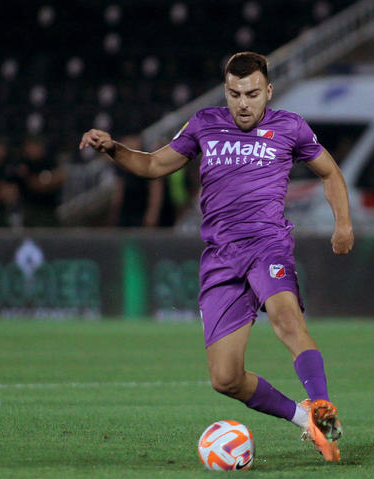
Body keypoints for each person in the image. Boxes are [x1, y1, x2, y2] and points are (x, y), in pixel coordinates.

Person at [79, 51, 354, 462]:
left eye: (253, 94)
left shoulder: (290, 127)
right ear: (225, 91)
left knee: (285, 317)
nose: (243, 103)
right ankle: (305, 420)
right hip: (220, 257)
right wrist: (113, 149)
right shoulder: (205, 124)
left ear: (269, 92)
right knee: (225, 378)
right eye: (235, 93)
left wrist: (344, 224)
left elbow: (329, 171)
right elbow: (154, 165)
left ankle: (322, 407)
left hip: (267, 245)